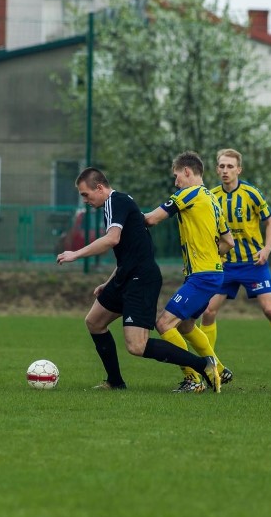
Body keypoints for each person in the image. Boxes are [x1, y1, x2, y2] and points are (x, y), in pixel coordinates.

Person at [56, 167, 220, 392]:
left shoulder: (117, 201)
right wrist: (108, 282)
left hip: (141, 278)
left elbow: (111, 240)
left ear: (100, 187)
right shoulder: (113, 206)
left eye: (86, 194)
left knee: (137, 346)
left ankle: (204, 365)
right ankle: (115, 381)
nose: (85, 200)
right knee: (94, 322)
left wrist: (75, 253)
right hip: (125, 275)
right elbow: (129, 250)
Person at [200, 148, 271, 381]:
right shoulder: (211, 197)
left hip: (253, 262)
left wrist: (267, 249)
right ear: (216, 169)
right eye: (221, 166)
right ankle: (210, 365)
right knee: (208, 311)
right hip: (225, 264)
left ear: (239, 169)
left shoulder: (251, 194)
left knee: (270, 310)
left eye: (230, 166)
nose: (225, 171)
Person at [143, 151, 234, 393]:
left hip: (202, 276)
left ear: (187, 171)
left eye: (176, 176)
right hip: (212, 273)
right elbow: (229, 242)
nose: (175, 183)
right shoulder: (213, 199)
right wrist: (213, 254)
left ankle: (194, 378)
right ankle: (220, 369)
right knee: (185, 326)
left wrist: (125, 219)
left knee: (164, 324)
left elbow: (151, 219)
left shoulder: (188, 193)